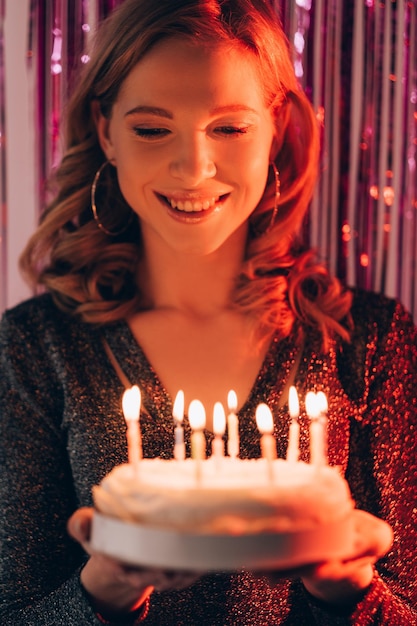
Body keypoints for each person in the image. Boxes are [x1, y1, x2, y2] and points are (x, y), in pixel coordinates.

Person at [0, 0, 415, 623]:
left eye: (229, 128)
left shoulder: (369, 341)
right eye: (151, 128)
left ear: (276, 127)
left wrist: (350, 593)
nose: (193, 169)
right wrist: (103, 591)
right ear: (106, 131)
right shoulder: (35, 348)